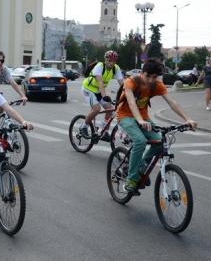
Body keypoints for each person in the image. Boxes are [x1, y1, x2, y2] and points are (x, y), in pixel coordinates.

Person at [116, 59, 197, 194]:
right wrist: (140, 121)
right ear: (142, 73)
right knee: (140, 141)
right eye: (148, 76)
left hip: (144, 118)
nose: (150, 80)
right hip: (125, 116)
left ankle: (141, 168)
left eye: (154, 77)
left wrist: (188, 119)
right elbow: (131, 102)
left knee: (160, 142)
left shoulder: (157, 85)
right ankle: (131, 180)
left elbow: (172, 103)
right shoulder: (131, 82)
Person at [80, 50, 123, 140]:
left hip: (99, 92)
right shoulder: (99, 66)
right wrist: (104, 96)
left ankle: (103, 130)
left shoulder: (116, 68)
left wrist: (129, 95)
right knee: (96, 109)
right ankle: (84, 126)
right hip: (88, 89)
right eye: (110, 60)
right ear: (105, 60)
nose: (112, 63)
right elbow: (100, 83)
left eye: (114, 61)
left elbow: (122, 84)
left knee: (110, 109)